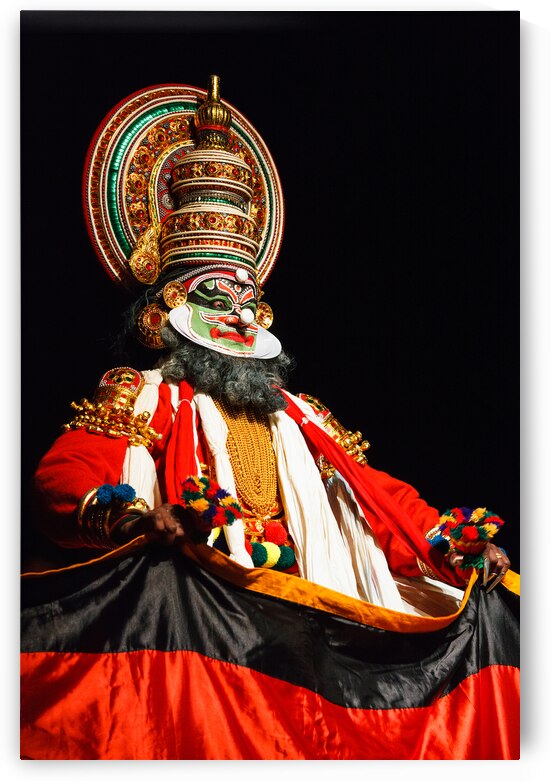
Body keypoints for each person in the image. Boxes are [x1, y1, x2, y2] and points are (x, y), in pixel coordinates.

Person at [21, 76, 519, 761]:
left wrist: (448, 545)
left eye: (248, 302)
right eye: (217, 298)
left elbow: (377, 502)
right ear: (167, 310)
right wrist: (133, 519)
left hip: (306, 631)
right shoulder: (144, 396)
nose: (240, 317)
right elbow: (64, 478)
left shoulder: (301, 414)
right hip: (207, 634)